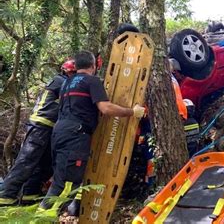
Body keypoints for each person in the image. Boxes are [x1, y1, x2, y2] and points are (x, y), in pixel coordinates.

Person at [38, 51, 145, 212]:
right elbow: (106, 108)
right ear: (93, 66)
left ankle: (43, 217)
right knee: (67, 185)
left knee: (59, 180)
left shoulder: (66, 83)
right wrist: (132, 112)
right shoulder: (91, 81)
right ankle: (43, 219)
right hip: (76, 136)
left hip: (59, 134)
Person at [0, 60, 76, 206]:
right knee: (26, 161)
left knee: (42, 163)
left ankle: (30, 194)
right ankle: (6, 194)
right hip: (41, 126)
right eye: (74, 73)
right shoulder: (62, 82)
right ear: (67, 71)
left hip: (48, 128)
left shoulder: (62, 81)